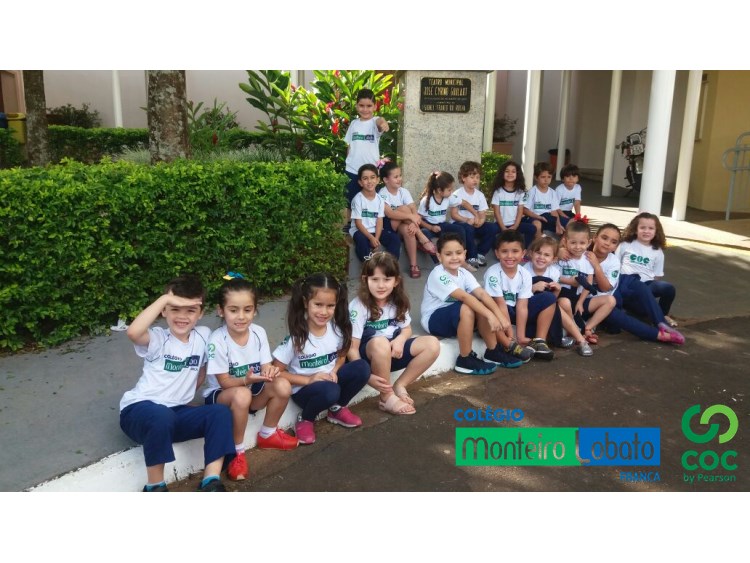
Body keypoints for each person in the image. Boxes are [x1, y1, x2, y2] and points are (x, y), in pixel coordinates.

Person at [119, 275, 234, 492]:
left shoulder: (203, 336)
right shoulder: (158, 338)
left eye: (190, 310)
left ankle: (211, 480)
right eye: (174, 309)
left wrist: (183, 396)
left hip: (175, 413)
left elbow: (203, 369)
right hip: (138, 411)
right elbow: (133, 332)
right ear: (164, 311)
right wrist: (165, 299)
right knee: (161, 415)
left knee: (219, 413)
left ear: (200, 313)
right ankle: (155, 486)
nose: (182, 316)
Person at [203, 276, 299, 482]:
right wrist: (247, 380)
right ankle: (237, 452)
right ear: (221, 311)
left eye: (247, 310)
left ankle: (268, 434)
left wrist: (270, 371)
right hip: (223, 396)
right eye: (233, 310)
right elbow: (224, 383)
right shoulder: (217, 340)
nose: (241, 316)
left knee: (282, 385)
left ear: (255, 310)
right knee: (242, 394)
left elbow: (265, 365)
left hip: (251, 390)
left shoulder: (258, 332)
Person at [273, 273, 370, 445]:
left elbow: (342, 354)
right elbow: (276, 372)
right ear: (305, 303)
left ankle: (337, 408)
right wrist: (308, 380)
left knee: (361, 367)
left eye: (330, 306)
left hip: (330, 382)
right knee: (330, 391)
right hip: (305, 390)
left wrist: (335, 370)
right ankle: (306, 418)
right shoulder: (296, 338)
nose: (324, 312)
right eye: (318, 304)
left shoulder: (337, 330)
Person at [348, 252, 440, 415]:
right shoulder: (358, 306)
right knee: (380, 341)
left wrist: (401, 340)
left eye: (387, 279)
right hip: (367, 358)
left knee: (432, 344)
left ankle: (400, 385)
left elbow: (406, 329)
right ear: (365, 280)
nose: (381, 285)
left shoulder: (397, 302)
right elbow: (351, 348)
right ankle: (386, 397)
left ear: (396, 281)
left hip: (392, 353)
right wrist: (366, 375)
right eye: (375, 279)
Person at [421, 232, 522, 375]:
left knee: (480, 303)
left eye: (458, 253)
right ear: (439, 256)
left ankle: (492, 351)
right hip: (434, 320)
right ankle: (465, 359)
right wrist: (491, 316)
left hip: (457, 317)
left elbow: (482, 294)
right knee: (468, 307)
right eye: (448, 254)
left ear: (465, 254)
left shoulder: (464, 273)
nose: (454, 257)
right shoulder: (438, 274)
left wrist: (500, 316)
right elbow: (464, 297)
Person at [589, 224, 684, 344]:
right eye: (604, 238)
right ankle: (659, 335)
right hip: (601, 297)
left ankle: (662, 325)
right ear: (594, 238)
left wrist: (596, 267)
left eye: (613, 242)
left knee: (639, 286)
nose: (607, 243)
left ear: (616, 247)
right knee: (615, 319)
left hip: (617, 284)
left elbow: (607, 286)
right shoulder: (582, 254)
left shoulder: (613, 260)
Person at [484, 230, 557, 361]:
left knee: (549, 298)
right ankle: (509, 344)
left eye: (515, 251)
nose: (510, 256)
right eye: (504, 251)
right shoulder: (492, 273)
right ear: (497, 253)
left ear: (523, 253)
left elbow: (522, 306)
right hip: (500, 312)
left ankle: (540, 341)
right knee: (489, 307)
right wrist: (511, 335)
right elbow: (500, 304)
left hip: (516, 311)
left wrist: (521, 336)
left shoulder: (525, 274)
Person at [524, 237, 593, 356]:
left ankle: (573, 336)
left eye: (546, 255)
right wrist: (532, 288)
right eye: (538, 253)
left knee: (563, 302)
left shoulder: (554, 272)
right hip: (528, 307)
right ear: (531, 253)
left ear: (554, 259)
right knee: (556, 306)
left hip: (547, 309)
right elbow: (520, 298)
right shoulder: (524, 270)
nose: (541, 257)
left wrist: (557, 290)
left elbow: (552, 300)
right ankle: (580, 339)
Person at [557, 218, 616, 345]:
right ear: (565, 241)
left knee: (610, 300)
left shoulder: (588, 259)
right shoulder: (561, 257)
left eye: (582, 243)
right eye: (573, 243)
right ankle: (576, 330)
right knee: (565, 303)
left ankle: (587, 327)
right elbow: (551, 275)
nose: (578, 247)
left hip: (579, 299)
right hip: (562, 297)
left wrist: (580, 302)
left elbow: (588, 284)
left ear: (589, 242)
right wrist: (558, 252)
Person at [616, 212, 680, 329]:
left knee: (669, 288)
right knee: (642, 312)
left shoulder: (657, 251)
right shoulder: (625, 245)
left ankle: (663, 315)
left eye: (651, 228)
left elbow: (657, 276)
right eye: (642, 227)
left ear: (656, 231)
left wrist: (648, 294)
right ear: (635, 229)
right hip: (626, 284)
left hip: (647, 285)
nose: (646, 231)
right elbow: (615, 266)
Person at [378, 160, 435, 278]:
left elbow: (414, 209)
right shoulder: (382, 193)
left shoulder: (403, 191)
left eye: (400, 175)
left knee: (408, 230)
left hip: (402, 227)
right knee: (403, 208)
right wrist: (411, 217)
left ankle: (414, 265)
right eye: (395, 177)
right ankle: (422, 237)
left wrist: (414, 224)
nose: (399, 179)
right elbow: (390, 213)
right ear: (386, 180)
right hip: (389, 226)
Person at [418, 170, 477, 272]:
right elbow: (418, 219)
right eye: (449, 190)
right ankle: (439, 263)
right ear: (439, 190)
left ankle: (462, 259)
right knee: (424, 233)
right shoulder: (426, 200)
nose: (451, 192)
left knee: (460, 229)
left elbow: (464, 203)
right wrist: (431, 227)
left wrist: (476, 214)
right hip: (429, 226)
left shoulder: (449, 197)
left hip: (442, 225)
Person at [344, 89, 390, 219]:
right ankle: (350, 225)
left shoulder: (375, 122)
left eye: (369, 106)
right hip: (352, 170)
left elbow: (380, 121)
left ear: (375, 106)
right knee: (351, 202)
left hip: (370, 172)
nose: (365, 109)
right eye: (361, 105)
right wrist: (348, 161)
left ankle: (371, 225)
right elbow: (349, 146)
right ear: (356, 106)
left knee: (370, 202)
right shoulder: (353, 124)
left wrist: (383, 123)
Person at [451, 160, 500, 269]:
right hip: (461, 224)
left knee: (493, 227)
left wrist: (481, 221)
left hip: (475, 224)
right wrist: (466, 220)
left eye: (477, 177)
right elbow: (454, 214)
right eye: (472, 177)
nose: (475, 180)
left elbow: (482, 213)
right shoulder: (457, 194)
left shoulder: (480, 195)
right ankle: (471, 257)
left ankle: (480, 253)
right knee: (468, 229)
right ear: (463, 178)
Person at [350, 163, 401, 262]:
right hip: (360, 231)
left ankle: (389, 266)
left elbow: (379, 220)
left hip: (375, 230)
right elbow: (358, 223)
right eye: (365, 178)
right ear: (360, 182)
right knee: (361, 240)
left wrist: (376, 238)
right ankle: (367, 265)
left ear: (377, 180)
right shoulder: (358, 199)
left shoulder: (380, 199)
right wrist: (371, 238)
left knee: (394, 239)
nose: (369, 181)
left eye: (372, 177)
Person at [490, 160, 536, 249]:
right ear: (502, 174)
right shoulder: (498, 192)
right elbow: (496, 212)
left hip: (515, 224)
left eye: (513, 171)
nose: (510, 174)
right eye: (507, 171)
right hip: (500, 224)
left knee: (532, 228)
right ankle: (496, 250)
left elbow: (520, 211)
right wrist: (503, 228)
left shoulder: (520, 192)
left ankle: (524, 250)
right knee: (490, 230)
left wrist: (515, 226)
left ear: (517, 174)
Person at [522, 162, 567, 239]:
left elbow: (554, 211)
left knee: (565, 225)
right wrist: (538, 217)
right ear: (536, 177)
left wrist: (558, 225)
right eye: (543, 177)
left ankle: (562, 245)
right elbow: (525, 210)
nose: (546, 180)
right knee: (537, 224)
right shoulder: (531, 192)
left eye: (549, 177)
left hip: (547, 218)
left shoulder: (553, 192)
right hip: (534, 217)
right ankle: (539, 242)